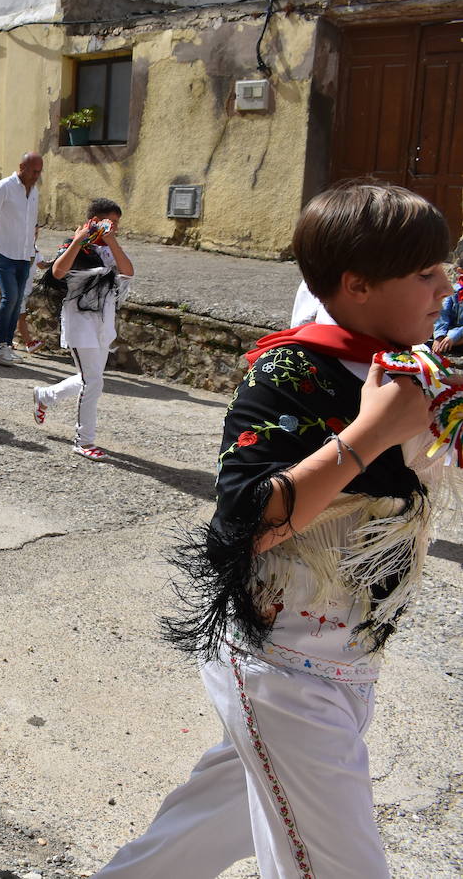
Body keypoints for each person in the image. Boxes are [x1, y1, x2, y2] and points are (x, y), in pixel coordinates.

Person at [93, 183, 453, 879]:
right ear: (357, 285)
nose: (448, 285)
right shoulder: (289, 371)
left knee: (197, 835)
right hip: (283, 670)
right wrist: (372, 432)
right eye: (426, 273)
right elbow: (242, 525)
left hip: (346, 663)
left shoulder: (407, 367)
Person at [31, 200, 134, 462]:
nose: (114, 228)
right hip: (80, 322)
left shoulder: (109, 249)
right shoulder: (75, 244)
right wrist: (79, 239)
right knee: (94, 382)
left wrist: (111, 242)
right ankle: (83, 440)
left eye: (116, 224)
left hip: (103, 323)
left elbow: (128, 272)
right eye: (110, 222)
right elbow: (57, 271)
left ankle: (45, 395)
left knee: (90, 377)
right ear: (95, 221)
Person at [0, 152, 42, 365]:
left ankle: (7, 344)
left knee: (17, 301)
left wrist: (31, 247)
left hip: (24, 254)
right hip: (3, 251)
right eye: (34, 171)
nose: (36, 176)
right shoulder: (4, 187)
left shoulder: (34, 192)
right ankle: (0, 345)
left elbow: (31, 221)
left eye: (39, 172)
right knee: (10, 297)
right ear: (22, 167)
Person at [431, 279, 463, 355]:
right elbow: (443, 312)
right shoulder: (455, 290)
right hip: (450, 330)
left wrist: (452, 336)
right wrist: (439, 336)